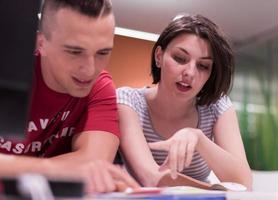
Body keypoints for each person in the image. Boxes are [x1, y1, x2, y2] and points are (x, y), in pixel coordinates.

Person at [0, 0, 139, 194]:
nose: (90, 70)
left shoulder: (101, 86)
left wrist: (14, 167)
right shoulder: (7, 73)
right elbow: (85, 169)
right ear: (41, 43)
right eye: (74, 52)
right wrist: (57, 169)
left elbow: (94, 162)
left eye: (103, 52)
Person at [117, 14, 252, 189]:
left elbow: (244, 184)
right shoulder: (128, 101)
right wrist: (216, 191)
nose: (190, 72)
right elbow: (152, 178)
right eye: (180, 58)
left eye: (203, 66)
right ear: (159, 56)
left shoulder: (217, 106)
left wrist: (198, 138)